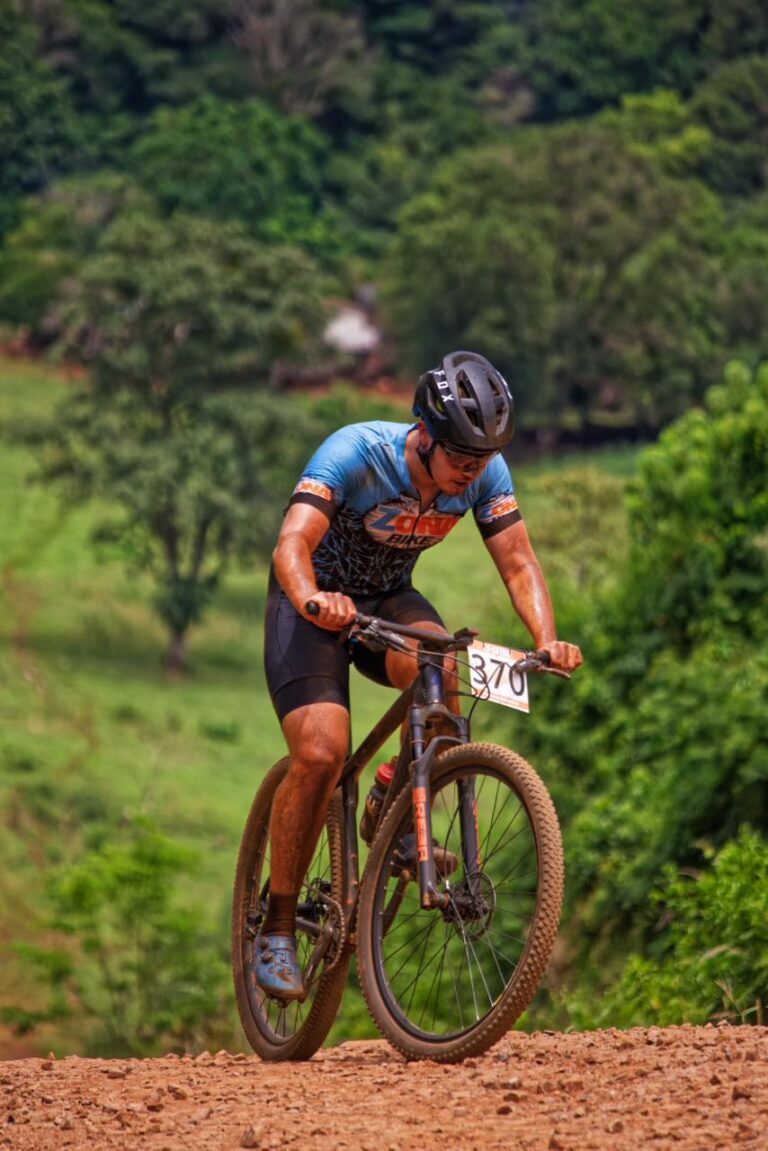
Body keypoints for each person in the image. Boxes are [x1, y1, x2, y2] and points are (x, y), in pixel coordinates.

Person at [259, 350, 583, 998]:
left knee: (444, 673)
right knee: (322, 751)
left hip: (386, 601)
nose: (472, 471)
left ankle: (392, 798)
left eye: (483, 458)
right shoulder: (357, 452)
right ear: (426, 437)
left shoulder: (487, 474)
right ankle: (278, 926)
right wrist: (314, 598)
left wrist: (546, 640)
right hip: (315, 605)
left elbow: (518, 564)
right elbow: (292, 543)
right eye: (462, 457)